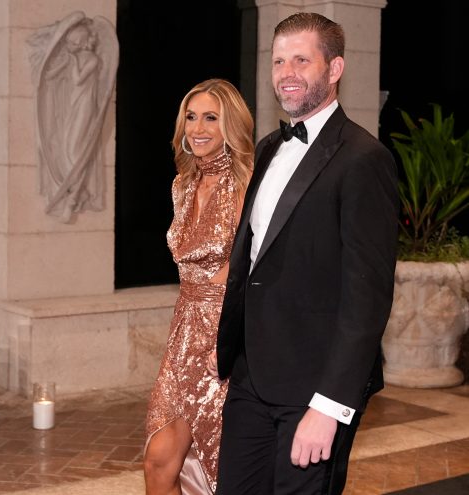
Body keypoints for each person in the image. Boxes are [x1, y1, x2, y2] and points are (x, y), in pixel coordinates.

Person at [213, 12, 399, 495]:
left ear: (334, 69)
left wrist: (329, 406)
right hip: (251, 379)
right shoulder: (269, 148)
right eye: (279, 61)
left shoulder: (364, 159)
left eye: (301, 60)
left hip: (314, 388)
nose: (287, 73)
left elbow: (368, 297)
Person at [144, 78, 254, 495]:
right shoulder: (182, 185)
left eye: (211, 118)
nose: (198, 128)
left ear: (231, 125)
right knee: (159, 460)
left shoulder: (245, 185)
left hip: (221, 333)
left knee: (216, 465)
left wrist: (227, 343)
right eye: (191, 117)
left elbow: (249, 268)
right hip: (183, 331)